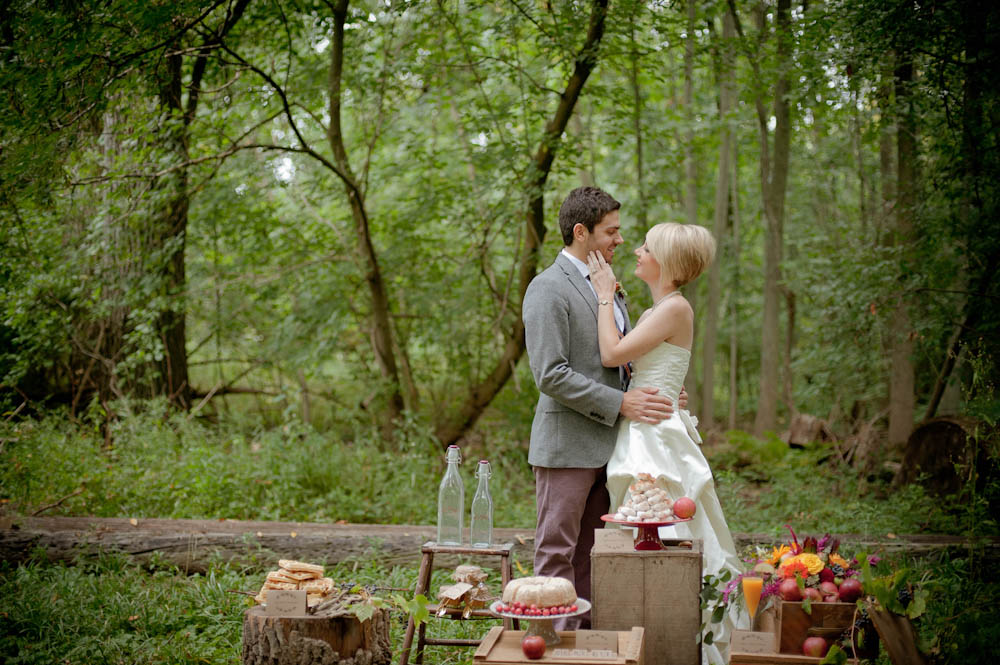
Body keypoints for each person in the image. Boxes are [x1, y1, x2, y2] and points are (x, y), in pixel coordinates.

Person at [522, 186, 682, 630]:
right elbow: (550, 374)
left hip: (611, 449)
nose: (619, 240)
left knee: (594, 559)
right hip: (566, 447)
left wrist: (654, 392)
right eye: (610, 232)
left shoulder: (610, 286)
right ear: (581, 232)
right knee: (557, 553)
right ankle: (551, 649)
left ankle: (585, 647)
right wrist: (622, 402)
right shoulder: (547, 288)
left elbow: (617, 362)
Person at [587, 222, 741, 663]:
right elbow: (649, 368)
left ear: (667, 263)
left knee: (668, 525)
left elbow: (613, 355)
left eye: (647, 247)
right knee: (641, 525)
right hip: (645, 422)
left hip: (655, 435)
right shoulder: (661, 309)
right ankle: (641, 626)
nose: (636, 251)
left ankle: (675, 636)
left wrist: (602, 295)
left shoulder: (675, 308)